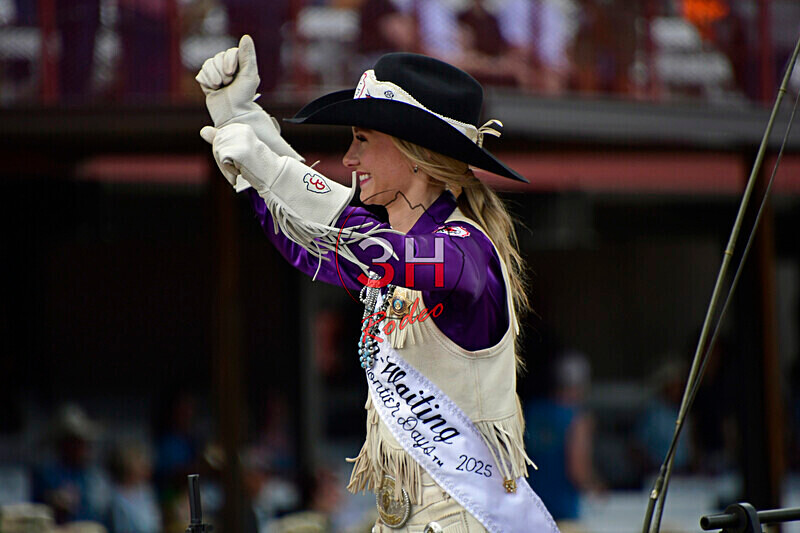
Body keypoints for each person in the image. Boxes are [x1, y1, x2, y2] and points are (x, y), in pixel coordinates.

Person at [195, 36, 558, 532]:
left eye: (362, 139)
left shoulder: (465, 250)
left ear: (416, 153)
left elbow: (375, 248)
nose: (347, 158)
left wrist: (270, 165)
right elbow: (310, 242)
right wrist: (246, 125)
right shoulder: (394, 250)